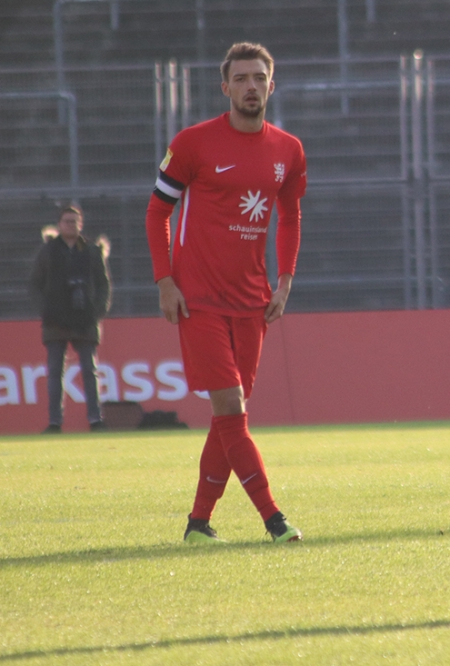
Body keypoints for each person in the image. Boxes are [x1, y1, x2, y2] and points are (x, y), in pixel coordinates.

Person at [145, 42, 306, 545]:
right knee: (232, 410)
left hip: (253, 301)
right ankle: (274, 520)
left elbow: (290, 216)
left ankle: (198, 523)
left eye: (258, 78)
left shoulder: (289, 150)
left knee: (226, 418)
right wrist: (165, 281)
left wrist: (285, 281)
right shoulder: (193, 143)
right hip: (199, 300)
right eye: (241, 79)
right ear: (225, 88)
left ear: (271, 86)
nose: (250, 86)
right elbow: (157, 212)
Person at [30, 205, 112, 434]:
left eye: (75, 221)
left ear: (81, 224)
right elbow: (35, 284)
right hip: (55, 320)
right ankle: (54, 423)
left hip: (85, 318)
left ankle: (95, 420)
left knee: (89, 371)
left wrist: (97, 311)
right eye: (67, 221)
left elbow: (103, 285)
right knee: (55, 372)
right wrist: (45, 311)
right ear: (59, 225)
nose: (71, 225)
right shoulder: (48, 251)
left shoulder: (92, 251)